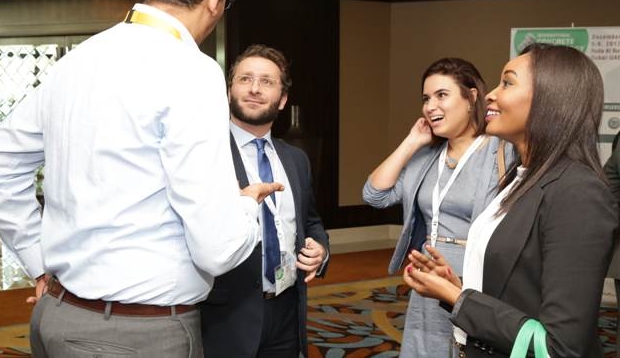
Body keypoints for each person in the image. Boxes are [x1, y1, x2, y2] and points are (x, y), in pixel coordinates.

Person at [0, 0, 282, 357]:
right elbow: (217, 249)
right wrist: (246, 206)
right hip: (137, 334)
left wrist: (37, 260)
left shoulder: (76, 61)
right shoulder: (192, 70)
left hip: (56, 318)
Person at [404, 43, 619, 357]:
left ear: (548, 99)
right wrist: (457, 285)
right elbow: (519, 286)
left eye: (507, 83)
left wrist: (459, 299)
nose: (490, 94)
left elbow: (560, 346)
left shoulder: (578, 192)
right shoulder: (521, 178)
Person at [362, 58, 513, 357]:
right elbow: (374, 195)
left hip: (475, 276)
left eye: (441, 95)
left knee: (469, 347)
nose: (430, 106)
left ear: (471, 97)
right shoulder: (429, 156)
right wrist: (411, 142)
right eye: (426, 98)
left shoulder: (502, 151)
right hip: (427, 277)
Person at [200, 44, 329, 358]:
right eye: (245, 79)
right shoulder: (206, 153)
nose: (255, 89)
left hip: (286, 311)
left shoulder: (296, 158)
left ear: (282, 99)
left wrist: (320, 250)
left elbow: (310, 221)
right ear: (229, 90)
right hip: (226, 316)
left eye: (267, 82)